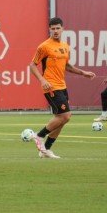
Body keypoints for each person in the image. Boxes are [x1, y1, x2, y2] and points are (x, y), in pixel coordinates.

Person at [29, 17, 96, 158]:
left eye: (58, 28)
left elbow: (67, 66)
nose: (55, 31)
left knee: (62, 118)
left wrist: (83, 73)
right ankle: (39, 136)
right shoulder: (44, 46)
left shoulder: (65, 46)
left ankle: (46, 149)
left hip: (62, 85)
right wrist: (42, 80)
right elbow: (32, 65)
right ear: (49, 29)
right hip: (51, 86)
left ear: (62, 29)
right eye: (52, 29)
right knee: (66, 115)